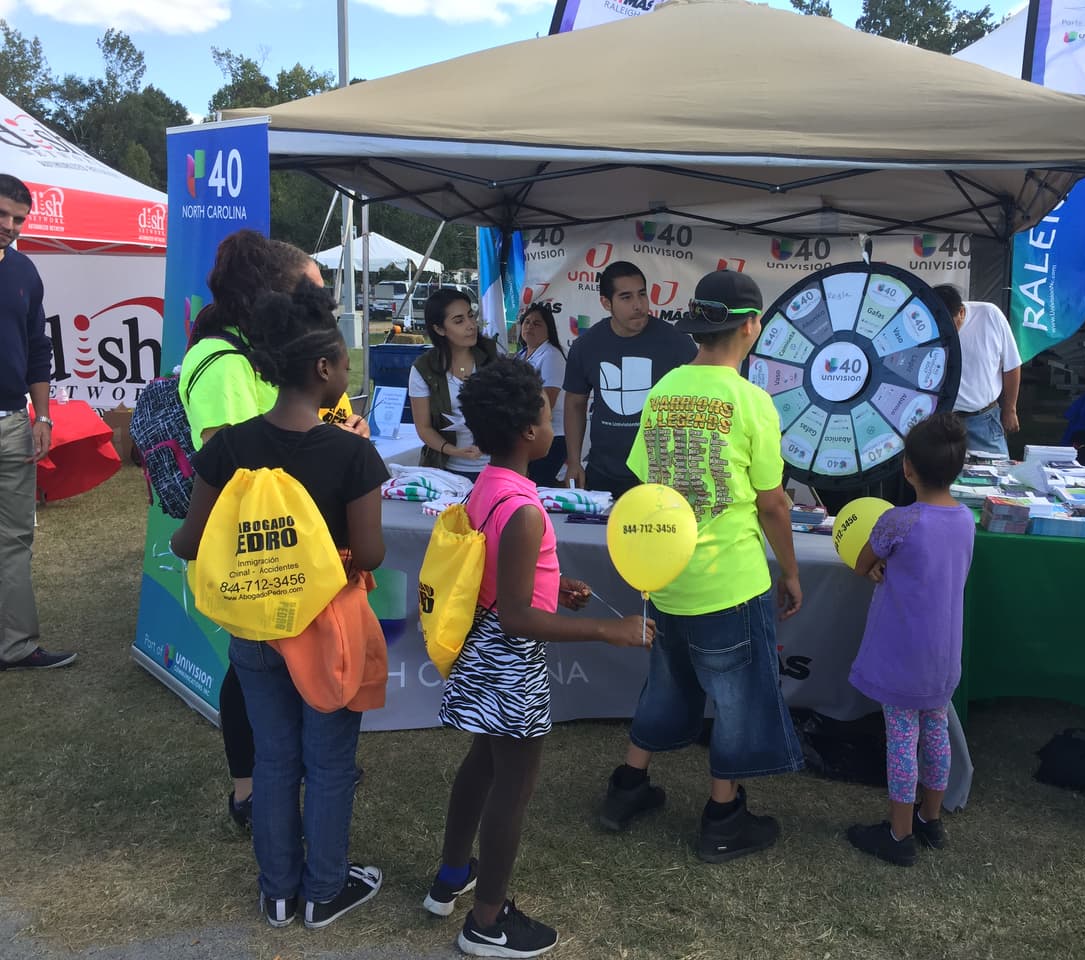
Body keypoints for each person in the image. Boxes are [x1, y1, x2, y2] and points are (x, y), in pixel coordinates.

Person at [171, 282, 389, 931]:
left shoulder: (230, 445)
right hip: (329, 635)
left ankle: (276, 893)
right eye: (345, 363)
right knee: (328, 761)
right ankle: (324, 890)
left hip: (257, 630)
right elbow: (371, 554)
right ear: (322, 370)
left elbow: (188, 540)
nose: (347, 373)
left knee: (273, 758)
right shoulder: (353, 452)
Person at [422, 356, 652, 957]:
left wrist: (559, 586)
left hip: (480, 646)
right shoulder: (524, 509)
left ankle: (450, 877)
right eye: (547, 412)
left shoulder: (491, 487)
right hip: (508, 658)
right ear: (530, 432)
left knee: (483, 763)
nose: (553, 420)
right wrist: (609, 630)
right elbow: (519, 616)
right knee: (514, 785)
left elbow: (504, 578)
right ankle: (487, 922)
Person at [596, 269, 804, 863]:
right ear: (750, 326)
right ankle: (722, 817)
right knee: (736, 700)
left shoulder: (664, 392)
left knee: (666, 685)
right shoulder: (751, 401)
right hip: (729, 581)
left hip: (667, 576)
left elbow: (646, 479)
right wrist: (789, 571)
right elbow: (772, 503)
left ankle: (627, 788)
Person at [180, 229, 368, 831]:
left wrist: (336, 426)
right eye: (312, 288)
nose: (323, 301)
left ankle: (286, 775)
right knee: (251, 665)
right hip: (262, 551)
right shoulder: (222, 363)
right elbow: (235, 461)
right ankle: (251, 789)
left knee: (282, 659)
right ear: (274, 294)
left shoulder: (266, 357)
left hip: (297, 549)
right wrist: (337, 451)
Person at [845, 412, 973, 866]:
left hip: (901, 654)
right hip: (943, 654)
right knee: (934, 731)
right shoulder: (966, 520)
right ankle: (929, 818)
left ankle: (898, 836)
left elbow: (862, 563)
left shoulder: (899, 522)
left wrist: (879, 566)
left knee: (902, 740)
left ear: (907, 468)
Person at [0, 174, 75, 671]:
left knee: (14, 539)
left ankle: (16, 646)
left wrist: (42, 414)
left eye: (18, 220)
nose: (9, 226)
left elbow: (37, 349)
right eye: (2, 215)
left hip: (12, 425)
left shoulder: (25, 271)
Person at [562, 260, 696, 497]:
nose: (638, 305)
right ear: (606, 303)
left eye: (642, 294)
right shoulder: (586, 346)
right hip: (602, 473)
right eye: (626, 297)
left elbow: (699, 402)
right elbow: (574, 403)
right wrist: (574, 462)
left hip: (662, 476)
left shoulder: (677, 343)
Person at [409, 288, 500, 479]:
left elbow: (514, 411)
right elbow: (423, 428)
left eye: (471, 316)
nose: (471, 325)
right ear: (439, 329)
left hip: (497, 466)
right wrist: (453, 451)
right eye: (459, 321)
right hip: (446, 471)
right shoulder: (423, 369)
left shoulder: (493, 358)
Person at [933, 284, 1021, 458]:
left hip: (983, 420)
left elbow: (1012, 365)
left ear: (961, 312)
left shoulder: (989, 315)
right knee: (940, 480)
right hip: (939, 422)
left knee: (997, 478)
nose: (944, 331)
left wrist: (1010, 409)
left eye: (949, 324)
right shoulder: (925, 324)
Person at [516, 303, 567, 486]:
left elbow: (547, 402)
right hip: (526, 434)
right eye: (527, 322)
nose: (530, 326)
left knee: (540, 486)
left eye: (537, 324)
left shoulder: (552, 355)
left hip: (551, 437)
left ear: (548, 330)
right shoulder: (521, 355)